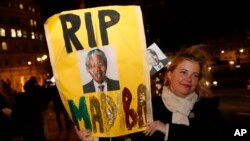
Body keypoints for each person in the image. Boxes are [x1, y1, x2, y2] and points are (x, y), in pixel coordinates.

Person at [76, 44, 229, 141]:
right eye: (183, 72)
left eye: (194, 75)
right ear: (169, 74)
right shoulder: (148, 108)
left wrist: (167, 129)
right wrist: (94, 139)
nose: (188, 79)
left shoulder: (208, 109)